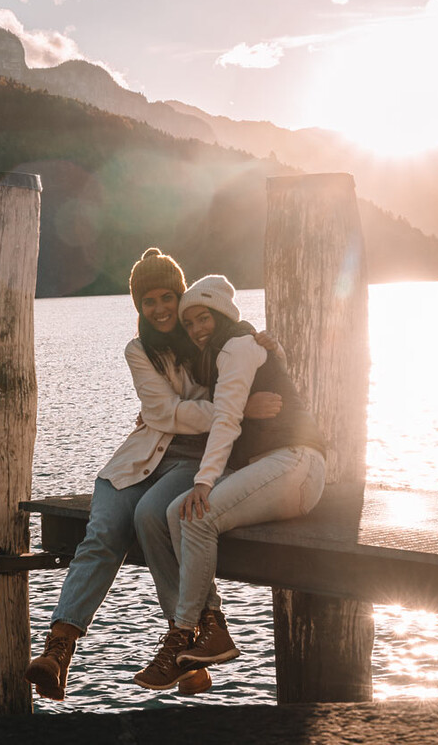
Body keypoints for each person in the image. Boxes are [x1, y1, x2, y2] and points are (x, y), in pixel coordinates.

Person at [24, 250, 282, 701]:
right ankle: (57, 652)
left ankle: (184, 646)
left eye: (168, 297)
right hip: (137, 458)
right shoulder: (138, 349)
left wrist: (266, 351)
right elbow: (162, 411)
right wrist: (227, 409)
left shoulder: (207, 332)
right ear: (138, 307)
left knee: (152, 515)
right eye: (149, 301)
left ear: (182, 297)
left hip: (191, 459)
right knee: (102, 531)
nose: (161, 309)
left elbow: (241, 365)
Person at [131, 274, 327, 691]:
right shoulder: (221, 354)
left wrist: (204, 483)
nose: (199, 329)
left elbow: (225, 419)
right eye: (191, 324)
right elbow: (221, 407)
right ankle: (211, 627)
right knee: (173, 511)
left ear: (222, 314)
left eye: (205, 318)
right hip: (268, 468)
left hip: (296, 463)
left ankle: (186, 633)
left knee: (198, 514)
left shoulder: (237, 346)